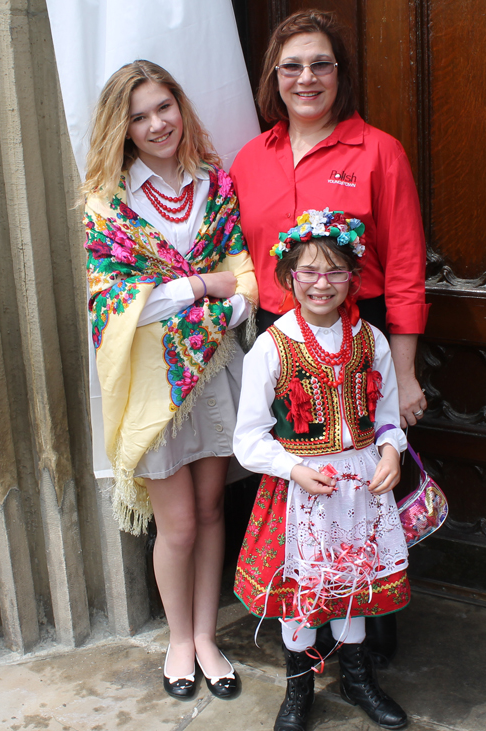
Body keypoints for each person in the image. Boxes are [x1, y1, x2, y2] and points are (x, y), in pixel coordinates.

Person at [229, 8, 429, 665]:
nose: (306, 77)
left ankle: (366, 662)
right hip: (279, 339)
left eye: (320, 64)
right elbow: (239, 260)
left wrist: (402, 375)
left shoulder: (379, 150)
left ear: (340, 74)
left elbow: (402, 271)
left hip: (358, 332)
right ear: (274, 77)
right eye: (292, 66)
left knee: (367, 494)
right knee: (300, 496)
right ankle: (302, 659)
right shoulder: (249, 160)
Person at [83, 60, 258, 700]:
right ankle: (177, 641)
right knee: (177, 525)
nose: (157, 123)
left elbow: (245, 284)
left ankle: (206, 637)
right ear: (121, 128)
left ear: (181, 108)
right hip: (154, 387)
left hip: (213, 374)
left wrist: (204, 297)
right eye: (139, 115)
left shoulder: (215, 186)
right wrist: (200, 287)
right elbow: (117, 304)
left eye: (165, 107)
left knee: (214, 510)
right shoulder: (108, 204)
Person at [233, 209, 410, 731]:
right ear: (289, 276)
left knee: (350, 581)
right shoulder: (272, 347)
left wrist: (392, 451)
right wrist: (292, 466)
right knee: (302, 593)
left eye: (335, 271)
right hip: (301, 491)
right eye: (308, 271)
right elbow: (247, 439)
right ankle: (298, 688)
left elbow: (386, 418)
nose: (321, 283)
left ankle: (357, 679)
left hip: (358, 488)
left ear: (353, 277)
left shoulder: (370, 341)